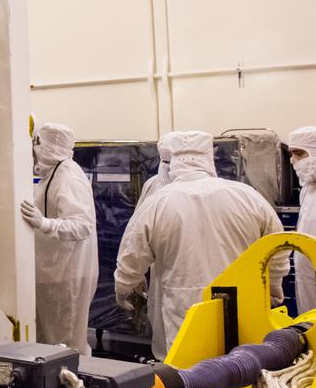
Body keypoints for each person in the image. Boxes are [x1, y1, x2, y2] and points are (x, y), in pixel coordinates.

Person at [115, 130, 283, 358]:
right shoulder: (248, 196)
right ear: (209, 158)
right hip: (241, 306)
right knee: (243, 370)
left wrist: (124, 287)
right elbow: (277, 247)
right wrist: (273, 287)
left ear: (171, 162)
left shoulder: (158, 202)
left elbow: (132, 255)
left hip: (185, 308)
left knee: (189, 375)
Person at [19, 122, 98, 354]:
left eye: (36, 145)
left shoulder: (68, 178)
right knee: (51, 342)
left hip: (68, 275)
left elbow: (83, 226)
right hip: (55, 272)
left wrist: (45, 223)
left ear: (45, 147)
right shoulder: (52, 175)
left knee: (67, 344)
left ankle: (76, 387)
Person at [134, 133, 174, 353]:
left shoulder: (211, 190)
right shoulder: (153, 186)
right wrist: (134, 274)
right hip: (160, 269)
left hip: (197, 274)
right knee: (160, 321)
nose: (167, 168)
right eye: (164, 161)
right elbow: (137, 232)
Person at [290, 127, 316, 313]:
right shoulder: (307, 189)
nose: (293, 161)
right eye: (291, 154)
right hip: (306, 267)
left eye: (299, 153)